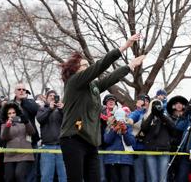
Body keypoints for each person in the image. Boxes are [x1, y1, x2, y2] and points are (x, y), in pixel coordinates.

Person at [59, 33, 145, 182]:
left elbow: (110, 79)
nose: (88, 68)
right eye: (84, 66)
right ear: (75, 70)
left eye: (87, 65)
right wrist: (124, 47)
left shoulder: (93, 86)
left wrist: (130, 66)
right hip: (73, 139)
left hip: (90, 141)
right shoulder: (74, 82)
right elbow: (99, 67)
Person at [141, 99, 176, 182]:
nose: (156, 107)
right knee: (153, 179)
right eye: (154, 105)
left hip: (164, 150)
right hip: (150, 150)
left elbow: (173, 127)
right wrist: (152, 114)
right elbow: (144, 129)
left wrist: (161, 115)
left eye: (158, 105)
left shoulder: (166, 117)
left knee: (163, 179)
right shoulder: (146, 117)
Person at [0, 102, 36, 182]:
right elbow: (4, 137)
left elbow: (32, 132)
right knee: (8, 178)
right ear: (6, 115)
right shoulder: (4, 125)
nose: (12, 115)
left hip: (24, 154)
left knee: (19, 175)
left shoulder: (24, 121)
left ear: (17, 112)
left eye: (13, 112)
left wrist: (26, 122)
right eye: (9, 113)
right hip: (10, 155)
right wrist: (7, 127)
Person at [36, 89, 66, 182]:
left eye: (54, 96)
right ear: (46, 98)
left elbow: (68, 120)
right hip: (47, 147)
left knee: (64, 176)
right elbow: (40, 119)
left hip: (61, 146)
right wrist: (50, 108)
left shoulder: (61, 109)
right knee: (46, 176)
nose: (53, 98)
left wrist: (62, 110)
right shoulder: (42, 109)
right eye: (50, 96)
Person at [103, 108, 135, 182]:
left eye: (121, 119)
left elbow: (131, 142)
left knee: (125, 179)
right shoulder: (109, 127)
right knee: (114, 179)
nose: (120, 121)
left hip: (125, 159)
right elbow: (106, 140)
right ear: (114, 118)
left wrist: (125, 132)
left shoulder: (128, 127)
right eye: (118, 119)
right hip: (112, 158)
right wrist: (114, 130)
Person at [129, 94, 151, 182]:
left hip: (151, 149)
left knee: (150, 177)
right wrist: (129, 120)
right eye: (142, 100)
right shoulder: (137, 113)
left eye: (146, 101)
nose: (144, 102)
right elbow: (130, 119)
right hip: (138, 148)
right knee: (139, 177)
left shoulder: (153, 113)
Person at [166, 95, 188, 182]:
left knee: (181, 174)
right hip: (170, 149)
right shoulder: (168, 118)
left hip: (183, 149)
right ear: (173, 106)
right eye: (176, 103)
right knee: (169, 173)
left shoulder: (187, 119)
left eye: (181, 103)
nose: (179, 105)